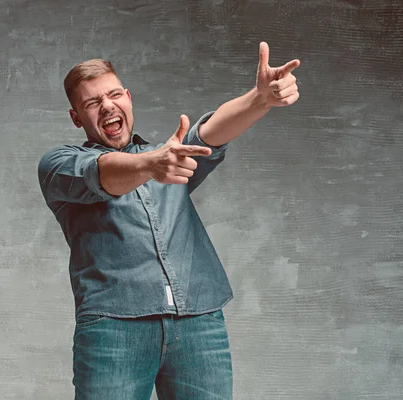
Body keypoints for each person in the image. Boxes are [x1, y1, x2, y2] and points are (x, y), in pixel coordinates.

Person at [37, 41, 300, 400]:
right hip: (114, 330)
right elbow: (101, 173)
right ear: (76, 117)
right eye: (92, 102)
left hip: (199, 321)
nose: (108, 105)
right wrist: (151, 165)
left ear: (128, 97)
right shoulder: (58, 165)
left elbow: (210, 134)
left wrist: (259, 100)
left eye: (114, 94)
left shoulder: (168, 155)